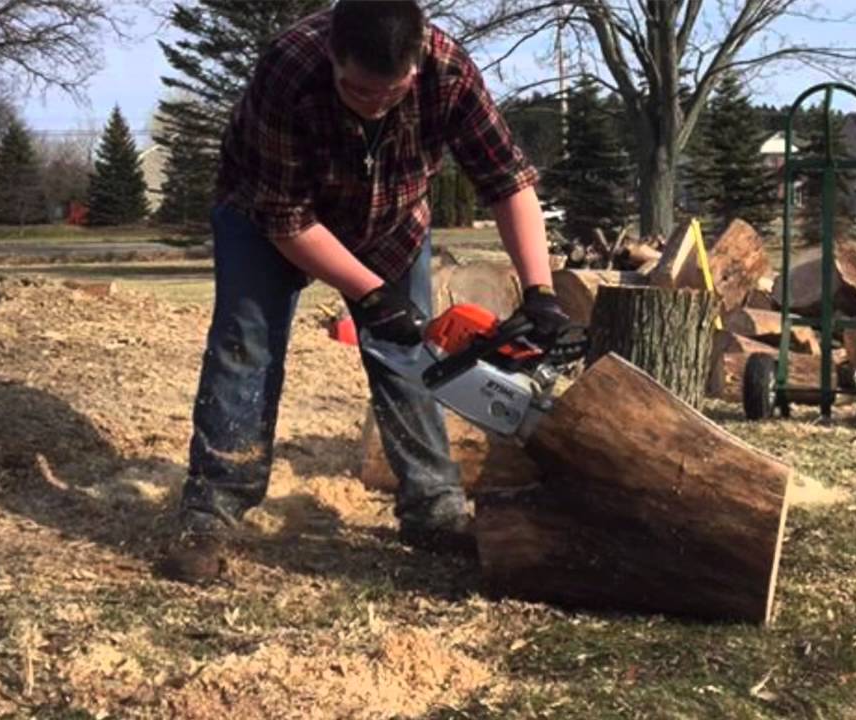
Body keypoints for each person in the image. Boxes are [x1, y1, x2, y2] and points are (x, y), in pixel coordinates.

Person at [158, 0, 571, 585]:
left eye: (392, 91)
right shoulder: (290, 67)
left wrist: (540, 290)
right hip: (265, 215)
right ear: (334, 54)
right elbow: (286, 219)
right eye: (357, 90)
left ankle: (433, 508)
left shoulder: (448, 71)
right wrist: (370, 294)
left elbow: (508, 181)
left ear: (415, 62)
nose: (376, 103)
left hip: (392, 221)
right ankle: (210, 515)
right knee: (246, 346)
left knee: (412, 356)